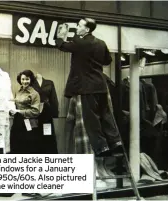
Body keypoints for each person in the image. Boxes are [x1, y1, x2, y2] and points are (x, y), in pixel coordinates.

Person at [55, 18, 122, 156]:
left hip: (87, 88)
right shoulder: (101, 43)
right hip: (101, 86)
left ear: (87, 30)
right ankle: (116, 142)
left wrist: (61, 36)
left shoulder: (79, 42)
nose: (77, 28)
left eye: (79, 26)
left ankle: (101, 147)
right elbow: (107, 61)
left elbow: (62, 46)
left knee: (91, 119)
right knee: (106, 115)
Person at [10, 70, 41, 154]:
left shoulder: (35, 94)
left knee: (27, 148)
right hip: (17, 121)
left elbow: (36, 112)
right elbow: (16, 105)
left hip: (29, 123)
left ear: (31, 80)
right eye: (23, 79)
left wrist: (19, 111)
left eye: (27, 79)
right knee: (16, 146)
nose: (24, 81)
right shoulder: (18, 91)